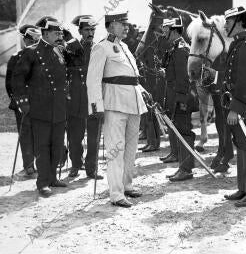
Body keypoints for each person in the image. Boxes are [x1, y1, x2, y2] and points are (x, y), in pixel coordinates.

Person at [12, 16, 83, 197]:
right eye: (56, 32)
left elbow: (79, 58)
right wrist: (23, 102)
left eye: (60, 32)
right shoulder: (31, 52)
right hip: (40, 107)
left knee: (57, 144)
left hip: (59, 106)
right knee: (42, 146)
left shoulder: (60, 50)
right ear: (44, 33)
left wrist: (68, 36)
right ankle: (42, 182)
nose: (59, 35)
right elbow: (18, 78)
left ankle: (52, 178)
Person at [86, 12, 148, 208]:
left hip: (133, 103)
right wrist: (97, 107)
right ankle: (116, 193)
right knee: (115, 149)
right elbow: (92, 80)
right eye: (122, 23)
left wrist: (143, 91)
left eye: (127, 23)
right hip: (113, 105)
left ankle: (126, 185)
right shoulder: (101, 48)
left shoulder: (125, 47)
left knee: (131, 149)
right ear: (111, 25)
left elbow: (132, 77)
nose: (126, 27)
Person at [204, 6, 246, 207]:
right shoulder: (237, 45)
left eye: (228, 22)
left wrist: (236, 109)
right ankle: (244, 188)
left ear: (238, 22)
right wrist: (215, 75)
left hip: (244, 107)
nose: (226, 25)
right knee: (241, 146)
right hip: (237, 104)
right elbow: (232, 78)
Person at [159, 17, 196, 182]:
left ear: (174, 30)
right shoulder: (174, 48)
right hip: (174, 98)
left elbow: (184, 79)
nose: (163, 31)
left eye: (165, 28)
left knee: (184, 132)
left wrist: (181, 102)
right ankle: (183, 167)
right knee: (179, 132)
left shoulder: (181, 50)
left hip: (181, 99)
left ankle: (186, 170)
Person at [66, 15, 103, 180]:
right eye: (87, 30)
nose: (90, 33)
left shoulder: (99, 48)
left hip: (93, 99)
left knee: (94, 137)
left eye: (92, 29)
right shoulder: (71, 48)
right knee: (75, 136)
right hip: (76, 98)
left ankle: (91, 169)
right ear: (80, 31)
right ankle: (75, 165)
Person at [5, 25, 41, 175]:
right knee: (30, 133)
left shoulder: (20, 56)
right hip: (26, 102)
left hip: (32, 101)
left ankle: (33, 166)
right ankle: (30, 166)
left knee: (31, 134)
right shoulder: (17, 57)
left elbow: (9, 85)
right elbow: (11, 83)